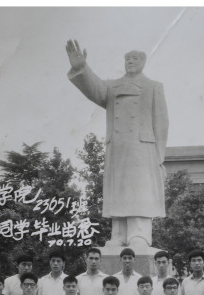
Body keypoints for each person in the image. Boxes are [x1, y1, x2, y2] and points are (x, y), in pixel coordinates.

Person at [66, 42, 168, 248]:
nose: (130, 62)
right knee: (118, 189)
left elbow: (161, 122)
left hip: (142, 148)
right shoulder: (113, 87)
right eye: (127, 59)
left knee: (139, 190)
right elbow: (95, 89)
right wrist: (81, 68)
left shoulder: (153, 86)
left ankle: (140, 234)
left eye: (135, 59)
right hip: (118, 147)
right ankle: (119, 234)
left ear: (143, 62)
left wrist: (159, 156)